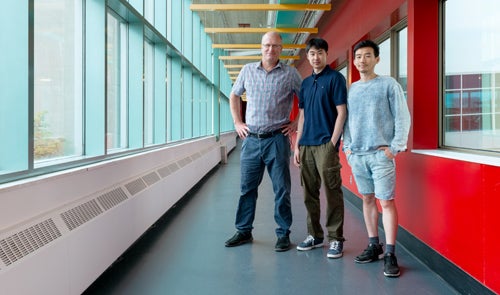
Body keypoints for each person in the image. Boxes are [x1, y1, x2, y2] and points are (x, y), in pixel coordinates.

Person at [224, 31, 302, 252]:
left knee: (282, 189)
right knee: (247, 188)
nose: (271, 49)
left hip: (277, 140)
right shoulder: (248, 70)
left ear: (281, 48)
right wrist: (237, 122)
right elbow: (234, 95)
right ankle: (243, 230)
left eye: (275, 46)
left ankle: (283, 233)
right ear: (261, 47)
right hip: (251, 140)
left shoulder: (291, 73)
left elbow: (305, 99)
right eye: (267, 45)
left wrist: (296, 122)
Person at [343, 39, 411, 277]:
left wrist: (395, 147)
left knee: (387, 202)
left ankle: (390, 253)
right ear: (354, 61)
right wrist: (348, 149)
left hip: (381, 155)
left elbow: (403, 117)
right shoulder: (351, 90)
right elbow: (347, 123)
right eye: (359, 56)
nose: (362, 60)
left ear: (377, 59)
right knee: (368, 200)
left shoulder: (388, 85)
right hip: (358, 156)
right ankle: (374, 245)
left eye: (367, 55)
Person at [293, 38, 347, 258]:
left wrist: (332, 144)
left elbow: (341, 112)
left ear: (326, 54)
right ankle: (314, 236)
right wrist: (297, 145)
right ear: (308, 56)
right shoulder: (305, 84)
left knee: (332, 192)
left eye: (320, 53)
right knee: (309, 193)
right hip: (306, 145)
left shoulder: (336, 79)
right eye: (312, 53)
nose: (316, 57)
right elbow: (302, 116)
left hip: (325, 144)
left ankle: (335, 239)